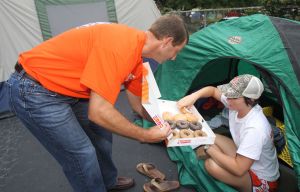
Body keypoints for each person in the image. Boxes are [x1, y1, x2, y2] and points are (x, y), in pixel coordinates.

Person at [5, 14, 189, 192]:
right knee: (81, 154)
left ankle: (107, 182)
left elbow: (140, 106)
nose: (173, 58)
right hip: (35, 88)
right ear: (166, 41)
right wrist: (145, 135)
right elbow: (98, 112)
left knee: (101, 136)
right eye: (177, 51)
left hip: (70, 89)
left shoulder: (136, 56)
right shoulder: (120, 47)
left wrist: (171, 122)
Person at [177, 74, 280, 192]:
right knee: (210, 137)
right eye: (229, 94)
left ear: (250, 99)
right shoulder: (239, 104)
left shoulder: (255, 128)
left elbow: (239, 169)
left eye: (234, 96)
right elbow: (212, 90)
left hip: (262, 179)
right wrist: (193, 96)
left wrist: (209, 149)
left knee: (211, 165)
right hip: (246, 160)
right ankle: (215, 155)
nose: (228, 99)